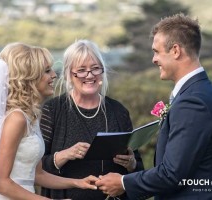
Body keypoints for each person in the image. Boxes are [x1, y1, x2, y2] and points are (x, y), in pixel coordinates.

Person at [95, 13, 212, 200]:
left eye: (157, 51)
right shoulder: (201, 91)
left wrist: (123, 182)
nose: (154, 59)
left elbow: (171, 174)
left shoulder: (193, 102)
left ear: (175, 50)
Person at [0, 42, 98, 200]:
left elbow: (37, 175)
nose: (54, 75)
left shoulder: (31, 116)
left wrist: (77, 183)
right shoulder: (16, 119)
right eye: (47, 71)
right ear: (29, 78)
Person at [40, 39, 144, 199]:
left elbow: (137, 167)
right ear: (69, 75)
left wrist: (131, 164)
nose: (89, 75)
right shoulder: (53, 110)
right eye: (81, 70)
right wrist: (64, 155)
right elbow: (35, 168)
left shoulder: (118, 111)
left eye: (95, 69)